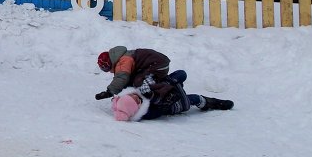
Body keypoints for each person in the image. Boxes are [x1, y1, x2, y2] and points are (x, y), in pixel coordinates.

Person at [96, 46, 233, 120]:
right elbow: (124, 80)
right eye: (135, 100)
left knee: (139, 81)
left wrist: (110, 91)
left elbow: (122, 77)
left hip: (157, 66)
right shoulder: (149, 108)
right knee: (190, 93)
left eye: (107, 69)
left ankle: (172, 85)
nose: (135, 97)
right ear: (136, 109)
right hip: (173, 98)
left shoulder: (124, 61)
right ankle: (210, 102)